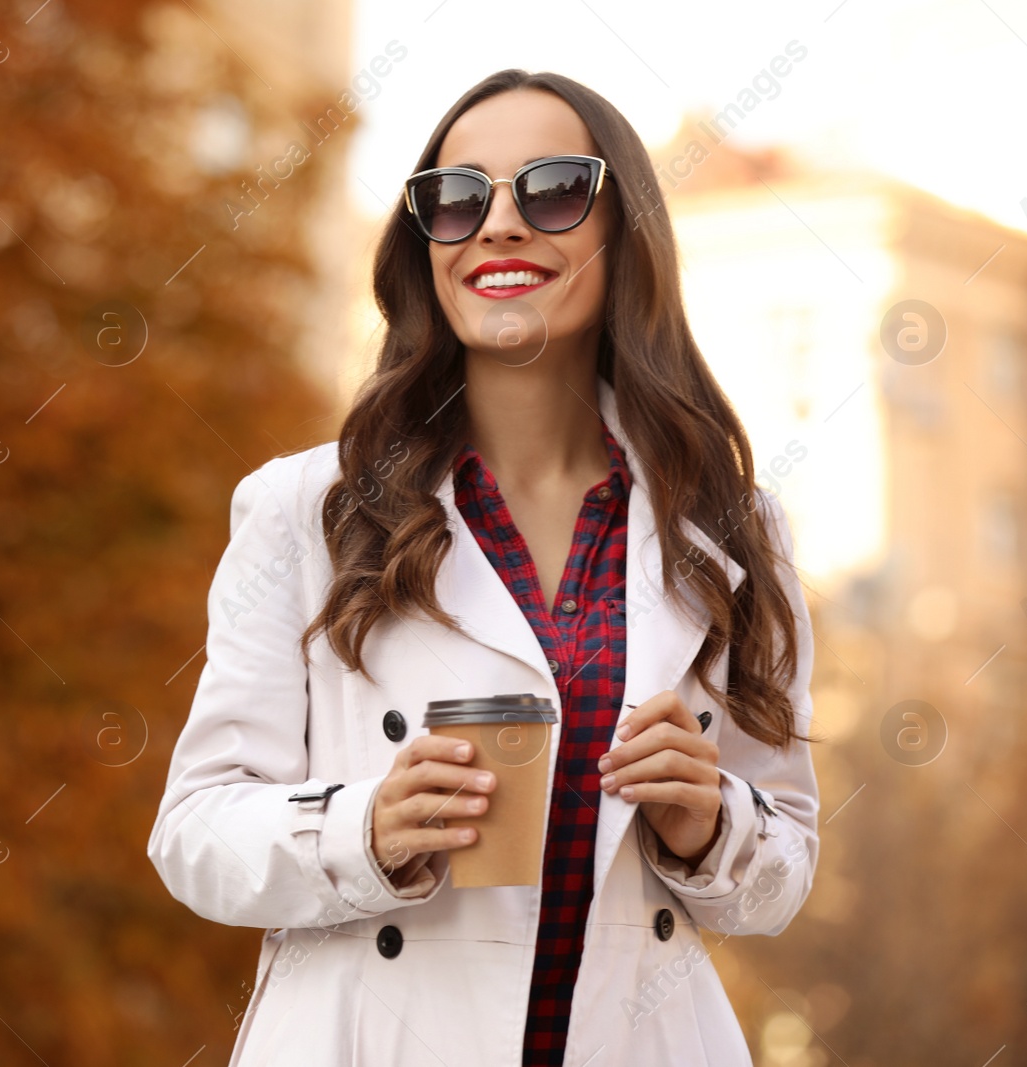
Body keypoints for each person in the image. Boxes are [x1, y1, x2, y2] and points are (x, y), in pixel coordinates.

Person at [148, 68, 820, 1066]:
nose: (497, 226)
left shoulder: (730, 527)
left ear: (622, 231)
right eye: (457, 200)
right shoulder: (307, 509)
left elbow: (786, 866)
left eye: (551, 189)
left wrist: (706, 818)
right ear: (427, 249)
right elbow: (193, 835)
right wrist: (364, 828)